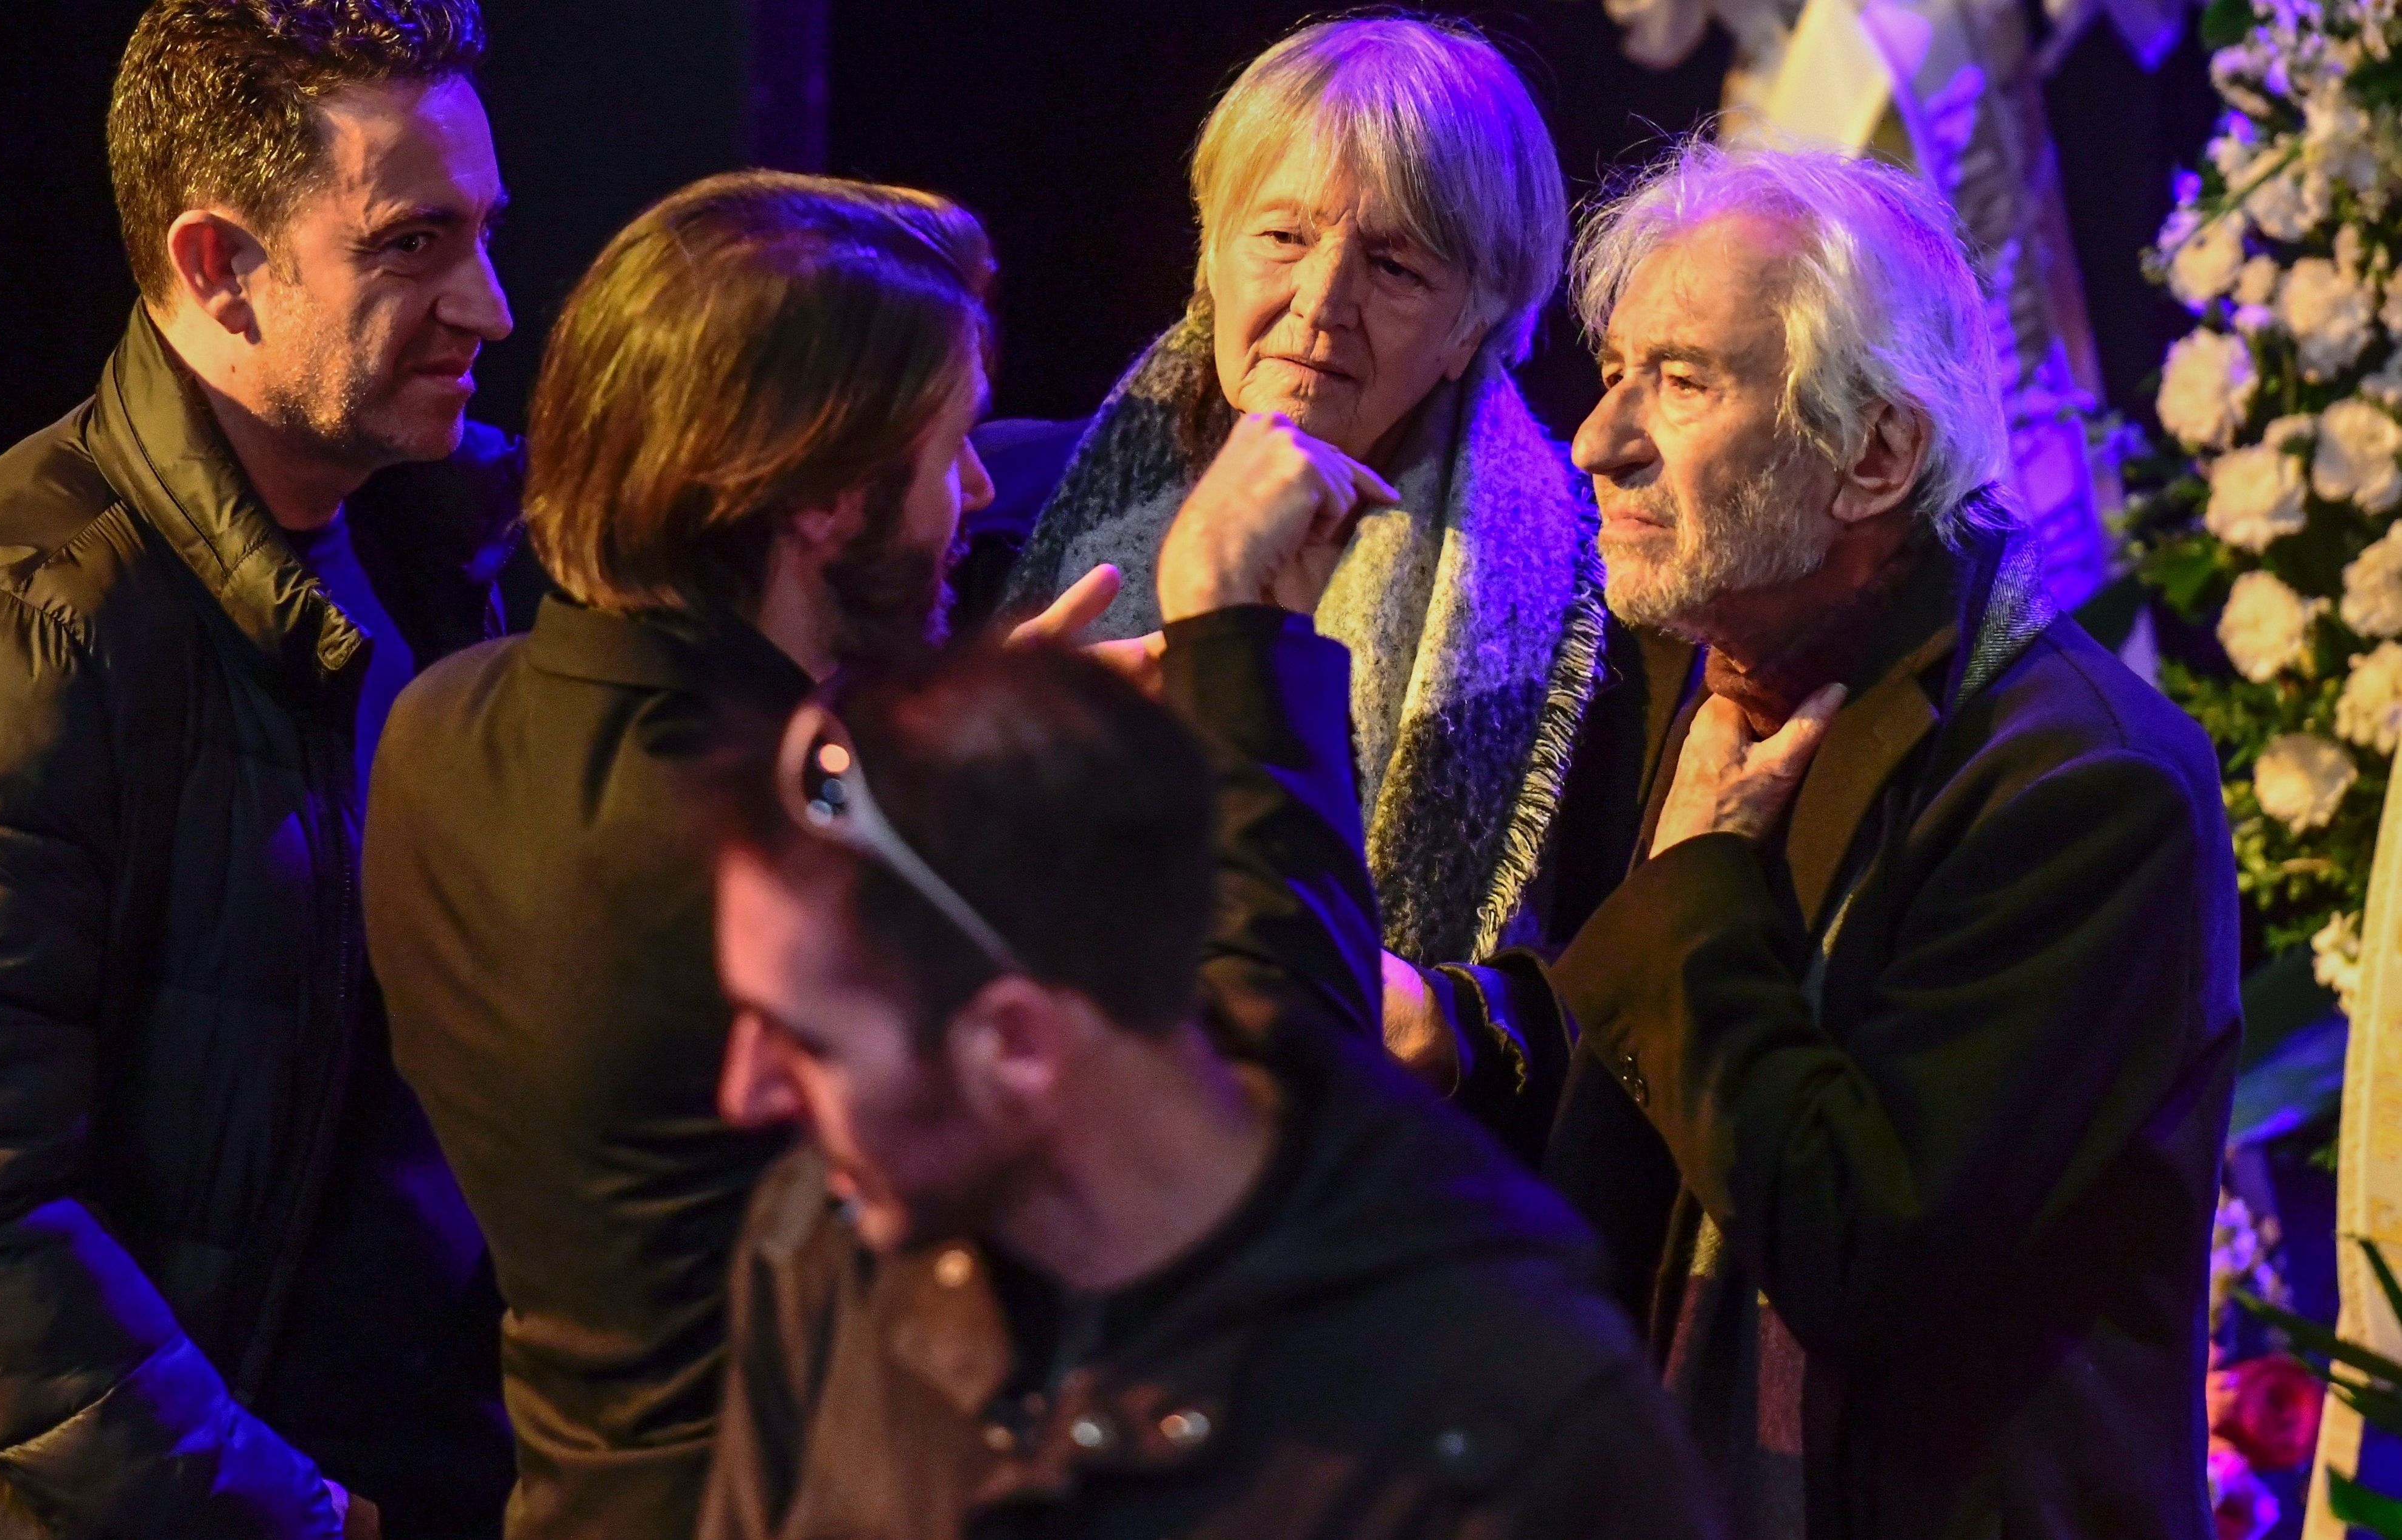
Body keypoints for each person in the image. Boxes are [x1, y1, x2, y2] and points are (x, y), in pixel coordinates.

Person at [0, 2, 520, 1536]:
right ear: (216, 267)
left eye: (482, 233)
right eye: (410, 245)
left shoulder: (433, 534)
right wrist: (286, 1519)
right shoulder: (19, 641)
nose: (489, 304)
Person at [695, 410, 1722, 1540]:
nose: (743, 1094)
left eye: (808, 1040)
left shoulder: (1512, 1427)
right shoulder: (832, 1236)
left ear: (1020, 1047)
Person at [1413, 139, 2239, 1538]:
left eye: (1680, 382)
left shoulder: (2087, 786)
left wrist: (1694, 885)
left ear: (1873, 454)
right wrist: (1451, 1028)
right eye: (1615, 371)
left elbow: (1857, 1243)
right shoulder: (1727, 662)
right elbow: (1653, 1091)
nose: (1598, 439)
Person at [362, 171, 1105, 1540]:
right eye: (951, 446)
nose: (981, 491)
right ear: (822, 498)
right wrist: (1248, 669)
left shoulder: (437, 731)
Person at [979, 16, 1606, 1115]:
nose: (1320, 304)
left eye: (1395, 265)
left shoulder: (1596, 618)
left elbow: (1607, 1002)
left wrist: (1463, 1020)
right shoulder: (990, 516)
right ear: (1209, 251)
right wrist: (962, 761)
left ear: (1477, 326)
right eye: (1280, 236)